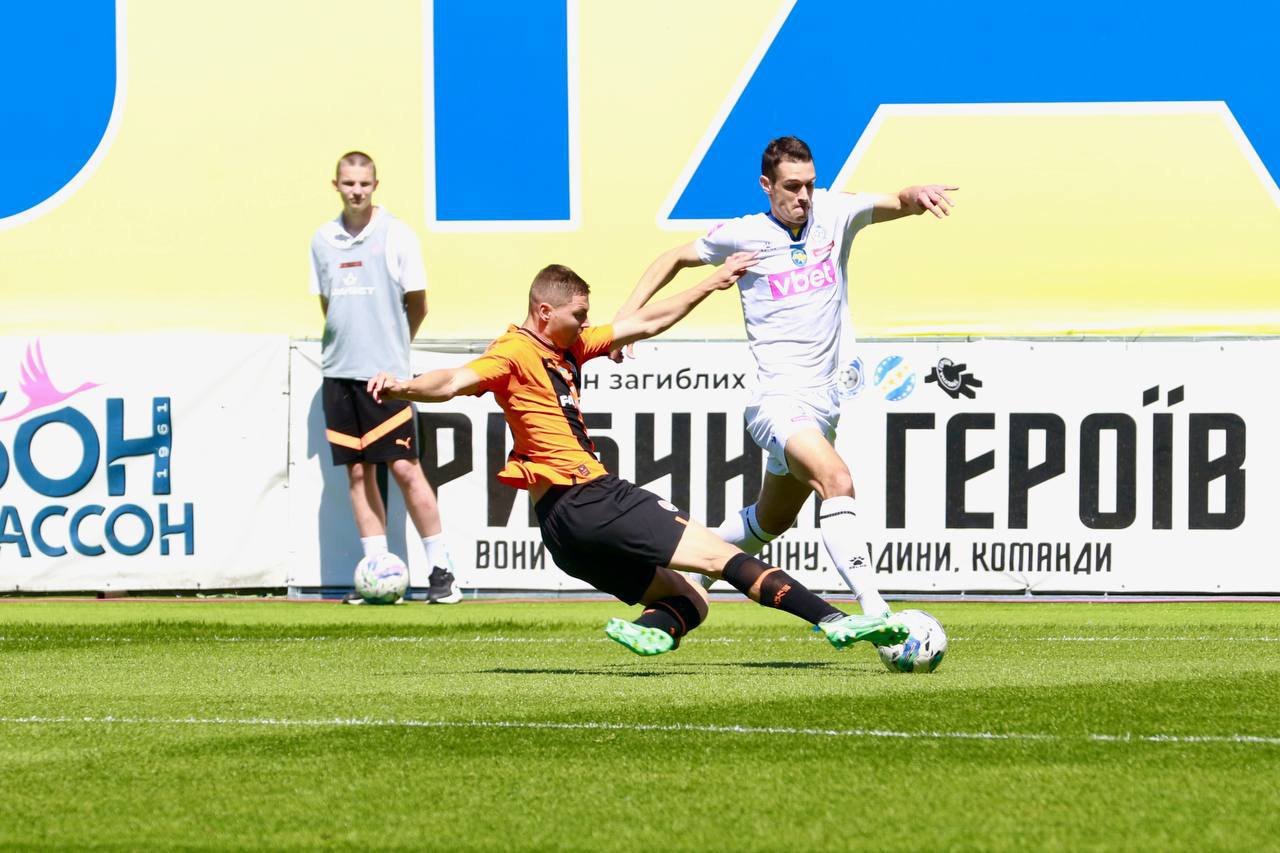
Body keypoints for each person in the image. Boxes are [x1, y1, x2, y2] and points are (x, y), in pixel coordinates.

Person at [366, 261, 909, 656]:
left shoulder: (567, 346)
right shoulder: (512, 352)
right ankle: (833, 620)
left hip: (561, 534)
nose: (586, 324)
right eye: (579, 315)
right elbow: (452, 381)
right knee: (721, 557)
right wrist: (403, 388)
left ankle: (654, 628)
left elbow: (645, 323)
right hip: (592, 497)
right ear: (544, 311)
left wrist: (709, 283)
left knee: (692, 600)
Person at [613, 136, 957, 617]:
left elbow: (898, 201)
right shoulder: (742, 234)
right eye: (792, 186)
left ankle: (687, 569)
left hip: (824, 406)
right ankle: (877, 612)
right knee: (837, 479)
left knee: (770, 521)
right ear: (766, 185)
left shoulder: (835, 212)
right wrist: (625, 322)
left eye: (810, 185)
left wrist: (916, 195)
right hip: (776, 401)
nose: (804, 196)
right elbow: (669, 258)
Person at [309, 150, 461, 604]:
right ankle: (378, 572)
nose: (356, 191)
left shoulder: (397, 235)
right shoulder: (322, 240)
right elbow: (329, 305)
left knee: (405, 468)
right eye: (348, 183)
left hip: (386, 379)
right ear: (335, 185)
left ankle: (442, 572)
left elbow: (419, 303)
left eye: (364, 183)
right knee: (358, 474)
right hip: (339, 375)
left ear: (375, 186)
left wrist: (393, 352)